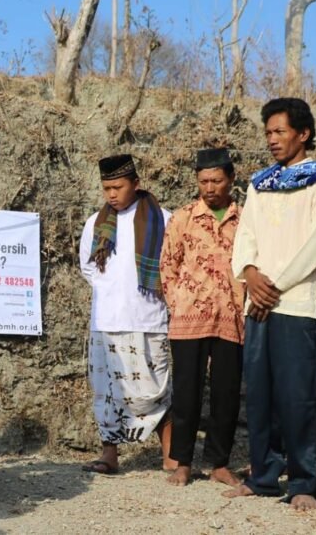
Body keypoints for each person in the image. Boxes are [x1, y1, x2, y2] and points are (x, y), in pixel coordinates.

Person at [225, 97, 316, 511]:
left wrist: (274, 286)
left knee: (298, 396)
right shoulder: (261, 182)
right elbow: (244, 236)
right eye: (268, 132)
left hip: (296, 303)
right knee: (261, 396)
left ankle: (304, 481)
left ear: (303, 134)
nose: (272, 140)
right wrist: (250, 274)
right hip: (258, 302)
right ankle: (264, 476)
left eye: (280, 131)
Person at [79, 153, 174, 475]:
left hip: (149, 319)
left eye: (118, 187)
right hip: (106, 320)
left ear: (136, 183)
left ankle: (170, 456)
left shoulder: (164, 219)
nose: (111, 195)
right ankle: (110, 454)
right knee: (107, 392)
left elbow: (173, 268)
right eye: (106, 188)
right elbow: (88, 267)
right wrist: (112, 292)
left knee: (156, 388)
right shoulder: (95, 223)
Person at [159, 148, 244, 487]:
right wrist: (179, 300)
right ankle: (182, 462)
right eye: (203, 181)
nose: (209, 187)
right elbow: (168, 263)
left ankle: (219, 464)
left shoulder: (246, 219)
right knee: (186, 392)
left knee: (226, 393)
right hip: (188, 317)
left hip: (230, 316)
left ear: (231, 179)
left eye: (216, 180)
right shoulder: (182, 217)